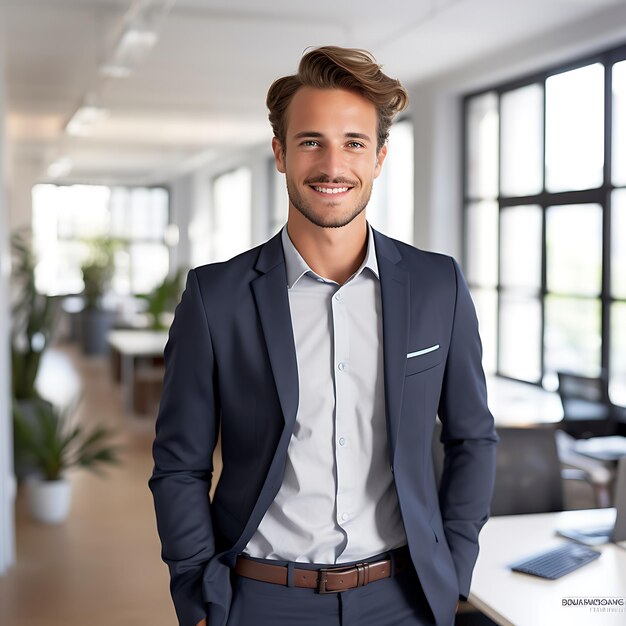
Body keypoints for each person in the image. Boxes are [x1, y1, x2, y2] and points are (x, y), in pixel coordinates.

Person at [149, 45, 497, 626]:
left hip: (403, 598)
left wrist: (454, 568)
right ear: (281, 153)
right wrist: (197, 589)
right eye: (311, 141)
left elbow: (473, 437)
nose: (333, 165)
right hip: (259, 598)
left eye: (354, 143)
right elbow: (180, 463)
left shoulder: (439, 286)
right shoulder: (216, 297)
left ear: (380, 157)